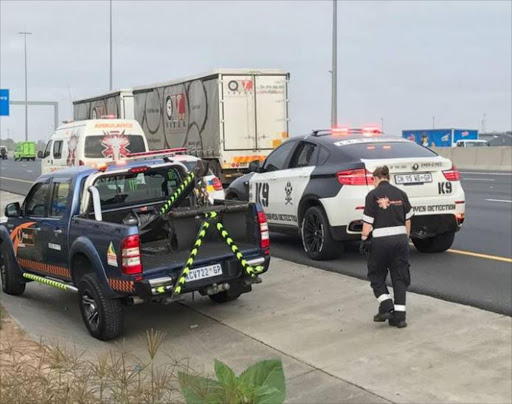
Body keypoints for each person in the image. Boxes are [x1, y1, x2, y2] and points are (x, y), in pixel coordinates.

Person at [359, 166, 413, 328]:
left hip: (381, 244)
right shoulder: (401, 194)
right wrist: (406, 238)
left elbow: (367, 223)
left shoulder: (372, 195)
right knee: (400, 277)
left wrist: (363, 239)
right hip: (400, 241)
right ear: (388, 177)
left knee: (375, 275)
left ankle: (386, 305)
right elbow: (408, 220)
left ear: (375, 178)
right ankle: (400, 317)